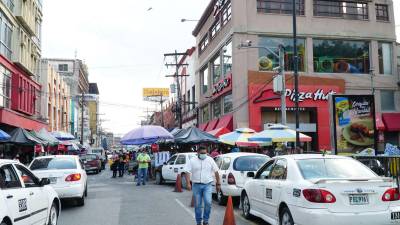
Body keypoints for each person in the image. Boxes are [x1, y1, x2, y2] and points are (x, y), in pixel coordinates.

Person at [185, 146, 221, 225]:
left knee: (208, 202)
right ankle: (198, 222)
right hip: (196, 185)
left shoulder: (210, 160)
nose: (204, 154)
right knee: (198, 205)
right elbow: (187, 172)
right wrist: (188, 183)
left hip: (207, 185)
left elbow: (216, 171)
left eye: (205, 153)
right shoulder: (192, 160)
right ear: (198, 152)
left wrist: (218, 183)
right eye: (202, 153)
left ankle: (206, 220)